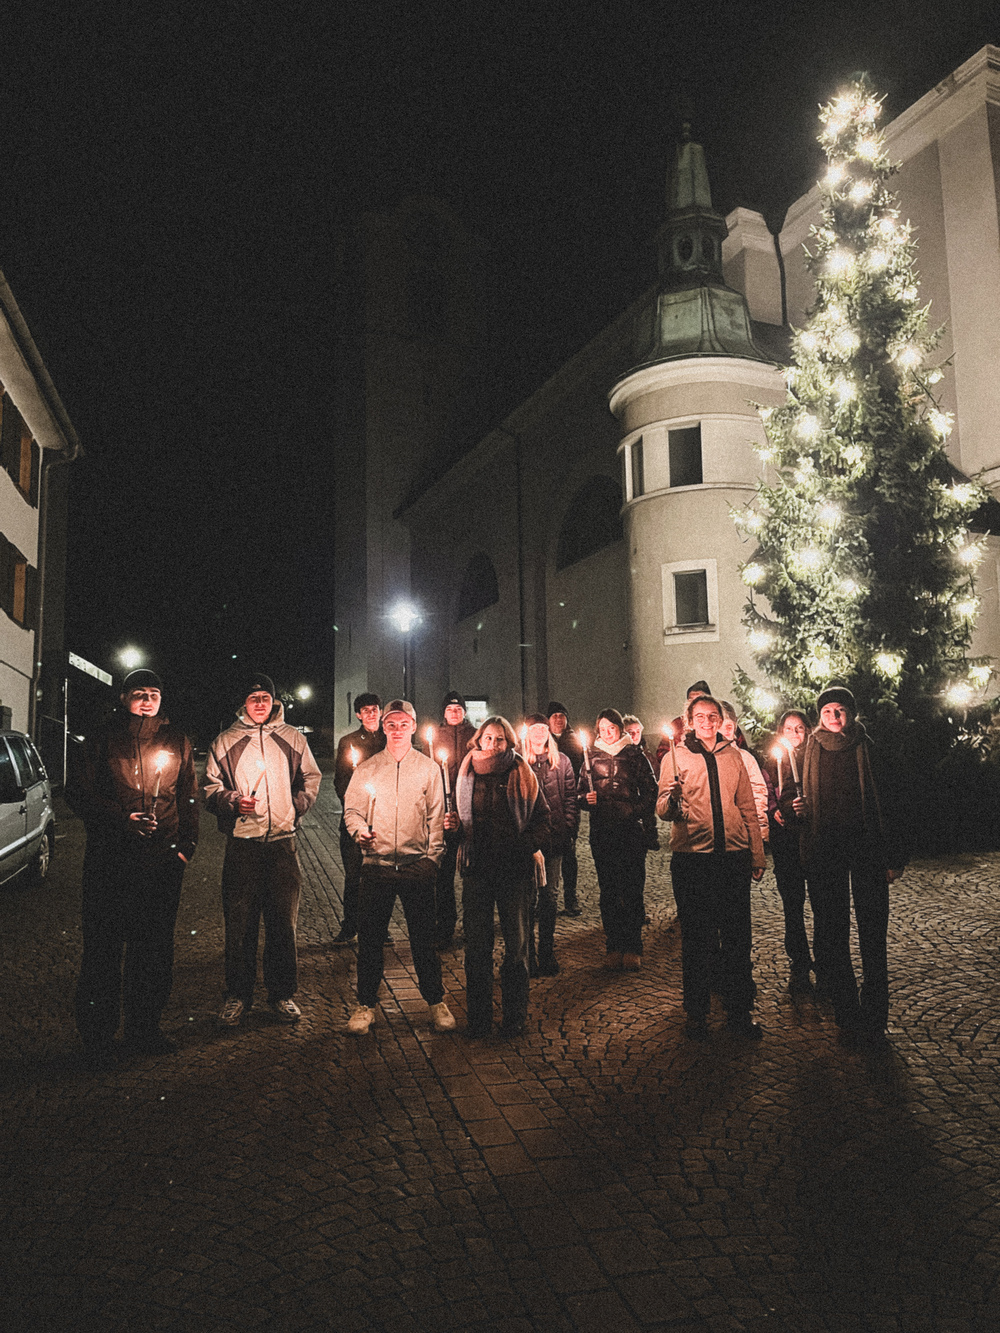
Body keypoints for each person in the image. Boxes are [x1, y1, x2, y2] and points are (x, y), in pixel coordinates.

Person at [71, 669, 199, 1068]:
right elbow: (78, 792)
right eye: (139, 693)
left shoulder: (176, 740)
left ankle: (145, 1029)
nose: (147, 700)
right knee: (104, 949)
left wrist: (185, 849)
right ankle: (98, 1036)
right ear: (124, 697)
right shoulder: (103, 737)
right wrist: (121, 819)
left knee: (153, 949)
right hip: (110, 862)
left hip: (161, 864)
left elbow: (189, 795)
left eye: (154, 694)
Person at [786, 686, 903, 1046]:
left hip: (867, 850)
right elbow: (790, 796)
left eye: (840, 710)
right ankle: (847, 1013)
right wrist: (794, 807)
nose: (834, 717)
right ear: (819, 716)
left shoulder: (870, 748)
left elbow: (893, 803)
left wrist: (895, 856)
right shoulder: (806, 751)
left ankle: (875, 1014)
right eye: (827, 711)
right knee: (832, 934)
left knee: (873, 935)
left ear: (852, 713)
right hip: (825, 853)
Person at [204, 672, 321, 1028]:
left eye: (265, 698)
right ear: (244, 702)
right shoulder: (225, 741)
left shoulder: (293, 738)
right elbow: (209, 787)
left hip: (283, 845)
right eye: (253, 698)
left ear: (274, 702)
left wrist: (296, 805)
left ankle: (282, 994)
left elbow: (311, 777)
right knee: (240, 926)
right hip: (243, 846)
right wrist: (231, 801)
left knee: (283, 925)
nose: (259, 704)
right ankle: (238, 995)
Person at [342, 699, 455, 1036]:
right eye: (391, 724)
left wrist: (432, 859)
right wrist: (359, 832)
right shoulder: (368, 768)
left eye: (404, 723)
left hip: (415, 865)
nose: (397, 729)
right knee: (370, 941)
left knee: (424, 941)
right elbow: (352, 810)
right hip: (376, 866)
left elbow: (436, 817)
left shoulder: (428, 768)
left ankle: (435, 1001)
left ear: (413, 727)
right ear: (384, 728)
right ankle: (365, 1004)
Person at [657, 693, 765, 1040]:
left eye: (713, 716)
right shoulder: (676, 757)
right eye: (700, 717)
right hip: (693, 858)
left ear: (721, 720)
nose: (707, 722)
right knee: (697, 939)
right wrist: (673, 799)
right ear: (689, 722)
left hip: (732, 856)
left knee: (737, 938)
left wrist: (757, 853)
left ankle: (739, 1012)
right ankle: (697, 1014)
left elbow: (747, 807)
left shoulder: (733, 755)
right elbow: (663, 809)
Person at [446, 716, 550, 1038]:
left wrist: (524, 846)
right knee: (477, 947)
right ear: (478, 740)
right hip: (476, 870)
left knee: (517, 946)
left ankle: (514, 1016)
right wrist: (452, 829)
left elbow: (543, 819)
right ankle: (478, 1018)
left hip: (513, 872)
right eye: (488, 738)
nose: (492, 744)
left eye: (499, 739)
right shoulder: (465, 771)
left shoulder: (521, 771)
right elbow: (457, 829)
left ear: (509, 742)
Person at [580, 708, 658, 970]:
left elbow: (651, 791)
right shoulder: (590, 757)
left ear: (620, 729)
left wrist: (633, 811)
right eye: (602, 729)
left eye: (611, 728)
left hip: (630, 832)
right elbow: (579, 793)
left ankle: (633, 946)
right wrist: (585, 800)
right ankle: (613, 945)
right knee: (609, 891)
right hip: (602, 832)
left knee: (632, 889)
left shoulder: (635, 755)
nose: (607, 733)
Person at [761, 710, 814, 990]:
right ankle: (799, 957)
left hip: (812, 839)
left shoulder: (815, 758)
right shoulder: (773, 761)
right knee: (792, 902)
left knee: (821, 901)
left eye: (800, 728)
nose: (794, 734)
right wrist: (775, 810)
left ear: (808, 730)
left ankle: (826, 957)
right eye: (789, 728)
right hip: (785, 840)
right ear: (781, 732)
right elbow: (768, 791)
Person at [524, 713, 578, 976]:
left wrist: (568, 828)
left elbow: (570, 799)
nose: (539, 732)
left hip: (555, 840)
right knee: (528, 898)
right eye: (534, 728)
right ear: (527, 732)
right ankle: (528, 955)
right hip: (528, 842)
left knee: (549, 898)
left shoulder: (562, 761)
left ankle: (547, 952)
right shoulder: (519, 762)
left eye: (542, 728)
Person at [332, 693, 385, 944]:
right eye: (366, 710)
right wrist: (352, 802)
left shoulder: (389, 739)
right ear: (358, 715)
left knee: (380, 877)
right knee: (354, 875)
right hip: (355, 819)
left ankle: (379, 928)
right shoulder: (349, 742)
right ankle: (350, 924)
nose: (371, 714)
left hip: (384, 818)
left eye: (375, 709)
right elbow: (340, 780)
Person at [429, 691, 476, 948]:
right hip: (444, 815)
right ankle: (444, 925)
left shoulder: (474, 735)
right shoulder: (436, 736)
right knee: (443, 875)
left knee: (471, 873)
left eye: (458, 709)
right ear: (444, 713)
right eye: (450, 709)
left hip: (468, 812)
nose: (454, 713)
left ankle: (473, 924)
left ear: (464, 712)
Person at [547, 701, 584, 914]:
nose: (558, 719)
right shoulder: (543, 740)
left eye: (562, 715)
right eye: (554, 716)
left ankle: (571, 898)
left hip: (569, 801)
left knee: (569, 852)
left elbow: (582, 770)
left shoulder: (573, 741)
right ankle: (545, 899)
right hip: (549, 803)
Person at [719, 702, 769, 841]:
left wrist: (760, 832)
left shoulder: (745, 758)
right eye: (720, 726)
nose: (725, 731)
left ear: (735, 727)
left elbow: (758, 795)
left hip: (741, 832)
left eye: (729, 726)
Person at [655, 679, 712, 772]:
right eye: (691, 700)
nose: (694, 704)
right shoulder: (678, 724)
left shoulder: (716, 723)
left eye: (698, 700)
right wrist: (678, 762)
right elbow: (662, 752)